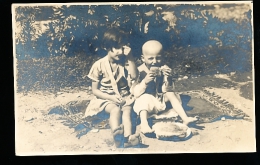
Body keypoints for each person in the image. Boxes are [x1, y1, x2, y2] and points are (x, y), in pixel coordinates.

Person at [84, 27, 140, 148]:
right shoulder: (98, 65)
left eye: (123, 47)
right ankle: (117, 134)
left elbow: (134, 77)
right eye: (117, 48)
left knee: (127, 111)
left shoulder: (125, 62)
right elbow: (95, 90)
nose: (120, 52)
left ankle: (128, 138)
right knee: (115, 110)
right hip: (105, 98)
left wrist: (130, 58)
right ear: (106, 47)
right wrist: (112, 98)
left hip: (124, 97)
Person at [132, 40, 199, 134]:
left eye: (158, 58)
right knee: (144, 98)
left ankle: (185, 118)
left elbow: (166, 89)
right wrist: (145, 81)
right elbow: (135, 93)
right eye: (151, 58)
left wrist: (168, 78)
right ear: (143, 58)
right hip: (147, 104)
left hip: (161, 101)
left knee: (170, 93)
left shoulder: (163, 68)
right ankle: (144, 124)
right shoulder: (139, 71)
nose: (155, 62)